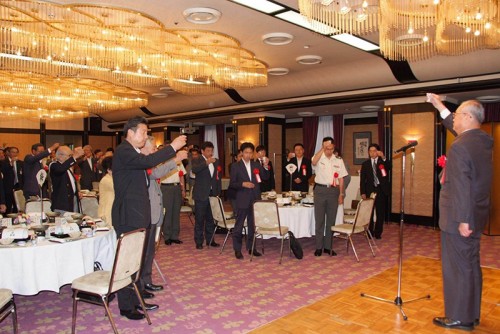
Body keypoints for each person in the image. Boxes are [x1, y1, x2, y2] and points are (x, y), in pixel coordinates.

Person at [427, 93, 493, 331]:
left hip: (459, 219)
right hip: (476, 215)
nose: (452, 119)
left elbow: (463, 185)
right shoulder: (481, 141)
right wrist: (439, 106)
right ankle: (470, 313)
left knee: (457, 269)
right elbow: (457, 128)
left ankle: (459, 317)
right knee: (470, 265)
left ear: (467, 116)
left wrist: (463, 221)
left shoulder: (460, 147)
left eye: (456, 116)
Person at [111, 116, 187, 320]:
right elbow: (149, 161)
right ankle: (127, 306)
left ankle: (136, 299)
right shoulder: (123, 151)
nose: (145, 136)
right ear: (131, 133)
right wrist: (172, 148)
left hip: (139, 214)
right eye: (143, 132)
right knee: (128, 262)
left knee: (136, 261)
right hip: (128, 215)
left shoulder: (133, 153)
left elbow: (148, 167)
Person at [141, 136, 179, 293]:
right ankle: (141, 283)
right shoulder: (142, 163)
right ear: (145, 148)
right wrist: (174, 160)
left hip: (154, 212)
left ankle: (147, 280)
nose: (156, 151)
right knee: (144, 252)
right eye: (154, 148)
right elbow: (154, 174)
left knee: (150, 251)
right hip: (146, 213)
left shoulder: (149, 162)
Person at [229, 142, 270, 260]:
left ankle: (252, 248)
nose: (248, 155)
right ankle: (237, 249)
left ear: (253, 154)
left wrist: (266, 166)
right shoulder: (235, 166)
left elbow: (265, 177)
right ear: (241, 153)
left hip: (255, 199)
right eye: (246, 152)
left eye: (250, 153)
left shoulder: (256, 165)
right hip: (242, 199)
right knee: (239, 225)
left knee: (253, 225)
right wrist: (243, 184)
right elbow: (232, 184)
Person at [311, 137, 347, 257]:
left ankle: (328, 247)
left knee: (331, 221)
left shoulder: (338, 160)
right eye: (327, 148)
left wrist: (341, 194)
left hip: (333, 191)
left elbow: (341, 178)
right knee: (319, 220)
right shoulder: (318, 157)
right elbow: (313, 162)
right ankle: (318, 247)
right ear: (323, 147)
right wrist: (322, 148)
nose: (329, 151)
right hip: (320, 190)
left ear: (334, 148)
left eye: (331, 148)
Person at [191, 141, 221, 249]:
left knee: (210, 219)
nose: (210, 153)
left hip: (212, 194)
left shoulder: (216, 161)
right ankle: (199, 241)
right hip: (201, 194)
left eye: (212, 151)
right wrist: (206, 163)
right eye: (208, 151)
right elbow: (194, 170)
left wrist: (218, 192)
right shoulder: (197, 159)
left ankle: (210, 240)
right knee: (199, 219)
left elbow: (218, 177)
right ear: (202, 151)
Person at [359, 143, 390, 239]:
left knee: (380, 213)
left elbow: (389, 167)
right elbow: (362, 180)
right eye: (370, 151)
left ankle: (378, 233)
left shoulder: (382, 162)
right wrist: (363, 192)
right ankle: (370, 232)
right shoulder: (365, 164)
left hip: (381, 190)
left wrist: (383, 157)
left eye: (374, 151)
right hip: (370, 190)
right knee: (370, 213)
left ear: (378, 152)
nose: (372, 153)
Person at [160, 140, 187, 246]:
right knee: (167, 213)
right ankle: (167, 236)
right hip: (166, 188)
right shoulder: (162, 162)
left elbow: (181, 175)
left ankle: (175, 235)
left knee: (176, 212)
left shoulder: (178, 161)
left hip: (176, 188)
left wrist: (183, 189)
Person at [49, 146, 85, 213]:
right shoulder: (54, 165)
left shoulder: (67, 167)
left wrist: (76, 192)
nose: (70, 158)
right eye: (69, 155)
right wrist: (74, 157)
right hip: (62, 204)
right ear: (60, 156)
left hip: (72, 200)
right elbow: (61, 169)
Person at [1, 147, 23, 213]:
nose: (15, 154)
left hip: (18, 187)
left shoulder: (20, 163)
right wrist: (11, 163)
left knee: (18, 207)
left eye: (16, 152)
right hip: (8, 188)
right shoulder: (3, 162)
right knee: (8, 207)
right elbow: (4, 171)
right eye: (13, 152)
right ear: (9, 153)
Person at [97, 157, 113, 226]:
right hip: (107, 210)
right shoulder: (106, 180)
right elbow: (118, 189)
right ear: (109, 170)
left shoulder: (111, 179)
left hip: (111, 209)